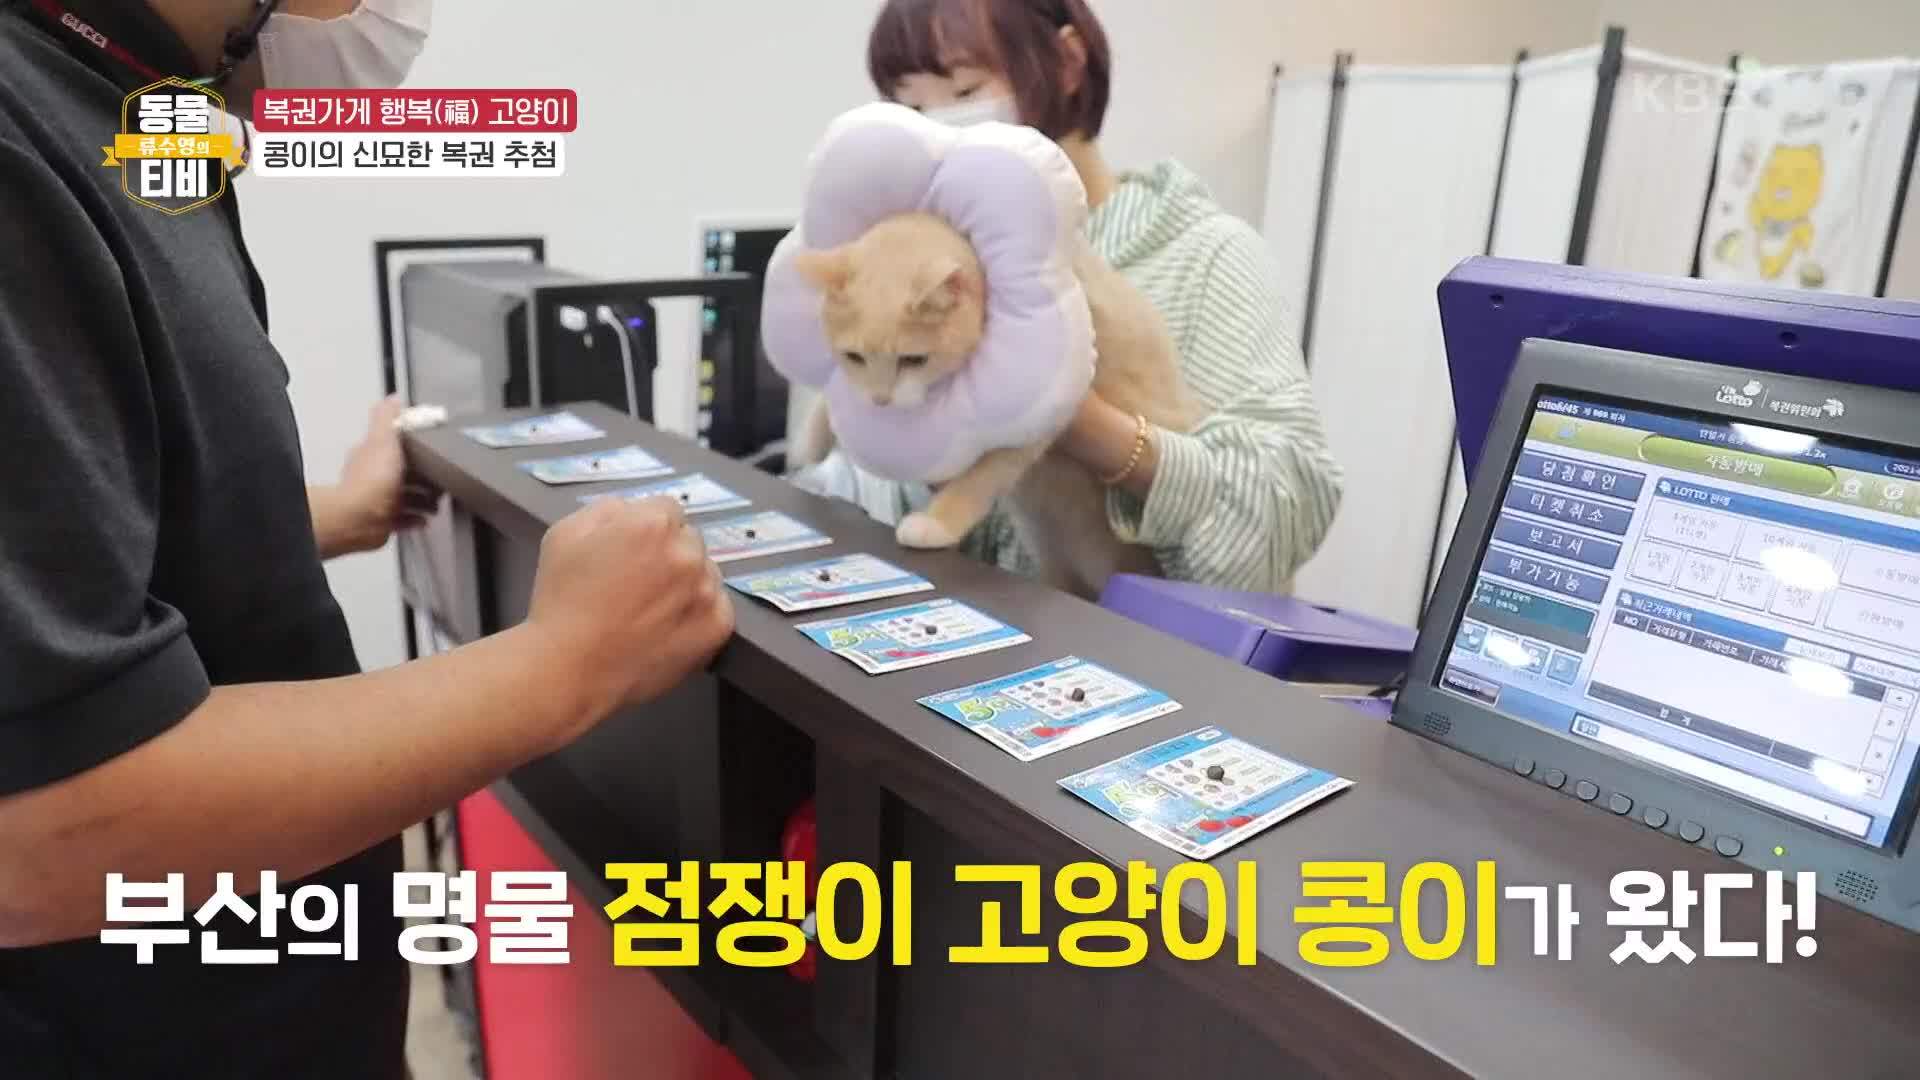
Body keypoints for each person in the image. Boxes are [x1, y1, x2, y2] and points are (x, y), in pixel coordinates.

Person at [0, 1, 734, 1076]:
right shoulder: (21, 145)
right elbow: (46, 823)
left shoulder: (137, 106)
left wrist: (319, 516)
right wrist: (567, 665)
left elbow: (88, 517)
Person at [799, 0, 1344, 594]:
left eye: (965, 92)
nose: (936, 128)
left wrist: (1081, 421)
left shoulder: (1206, 255)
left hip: (1147, 641)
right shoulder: (936, 266)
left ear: (1066, 62)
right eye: (911, 108)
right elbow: (880, 500)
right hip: (985, 631)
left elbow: (1283, 513)